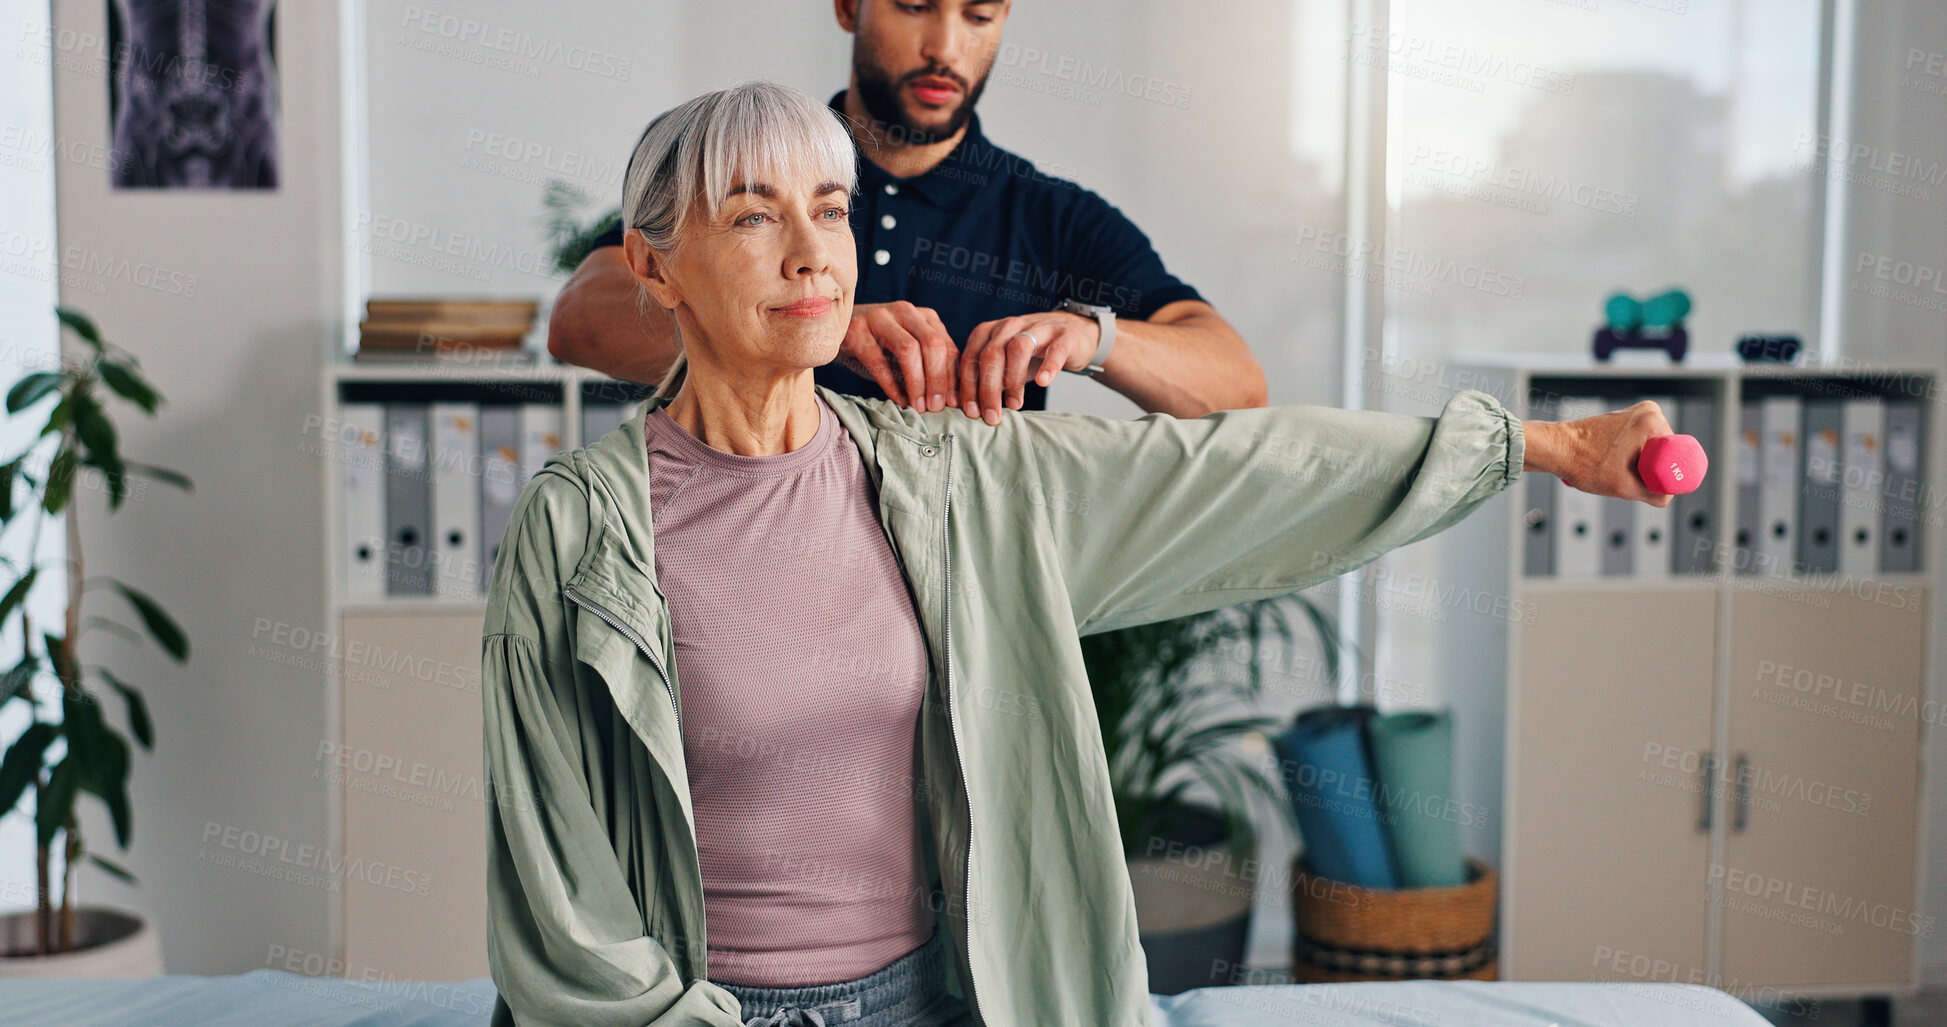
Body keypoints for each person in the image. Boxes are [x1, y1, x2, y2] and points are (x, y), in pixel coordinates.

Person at [480, 82, 1676, 1027]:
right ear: (653, 267)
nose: (811, 252)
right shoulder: (583, 529)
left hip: (929, 1002)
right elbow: (563, 897)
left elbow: (1251, 471)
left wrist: (1544, 445)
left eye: (831, 209)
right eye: (752, 215)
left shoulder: (957, 479)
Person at [546, 0, 1265, 424]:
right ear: (849, 6)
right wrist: (820, 329)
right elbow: (580, 319)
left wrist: (1091, 339)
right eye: (914, 5)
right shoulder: (745, 173)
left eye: (978, 14)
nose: (944, 48)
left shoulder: (1052, 218)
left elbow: (1235, 385)